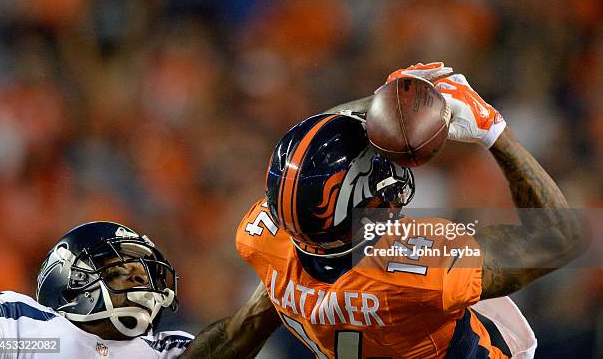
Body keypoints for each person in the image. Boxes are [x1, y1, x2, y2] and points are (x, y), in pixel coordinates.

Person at [216, 62, 586, 358]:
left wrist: (380, 102)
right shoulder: (415, 271)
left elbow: (242, 332)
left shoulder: (274, 242)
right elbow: (557, 240)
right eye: (376, 165)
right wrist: (495, 132)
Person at [0, 221, 277, 358]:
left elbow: (242, 332)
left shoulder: (160, 349)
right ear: (71, 285)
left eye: (145, 273)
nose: (141, 279)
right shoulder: (19, 324)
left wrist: (282, 278)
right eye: (120, 271)